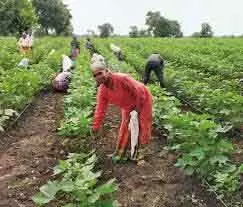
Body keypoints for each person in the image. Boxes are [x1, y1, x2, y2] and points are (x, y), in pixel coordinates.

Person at [91, 60, 153, 163]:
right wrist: (96, 126)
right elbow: (100, 109)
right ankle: (120, 153)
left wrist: (137, 108)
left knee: (143, 125)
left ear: (106, 71)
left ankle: (141, 153)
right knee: (124, 127)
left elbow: (139, 90)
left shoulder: (121, 78)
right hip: (127, 106)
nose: (98, 76)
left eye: (100, 73)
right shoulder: (103, 91)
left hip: (143, 100)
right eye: (95, 75)